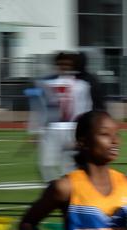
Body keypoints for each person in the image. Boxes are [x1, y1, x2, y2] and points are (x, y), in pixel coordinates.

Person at [30, 52, 94, 183]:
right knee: (45, 164)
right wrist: (35, 131)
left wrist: (84, 132)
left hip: (72, 129)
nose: (64, 66)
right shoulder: (45, 83)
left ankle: (70, 195)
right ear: (56, 65)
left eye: (67, 64)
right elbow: (39, 108)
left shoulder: (82, 85)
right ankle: (53, 191)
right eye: (61, 64)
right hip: (51, 128)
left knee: (69, 167)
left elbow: (86, 110)